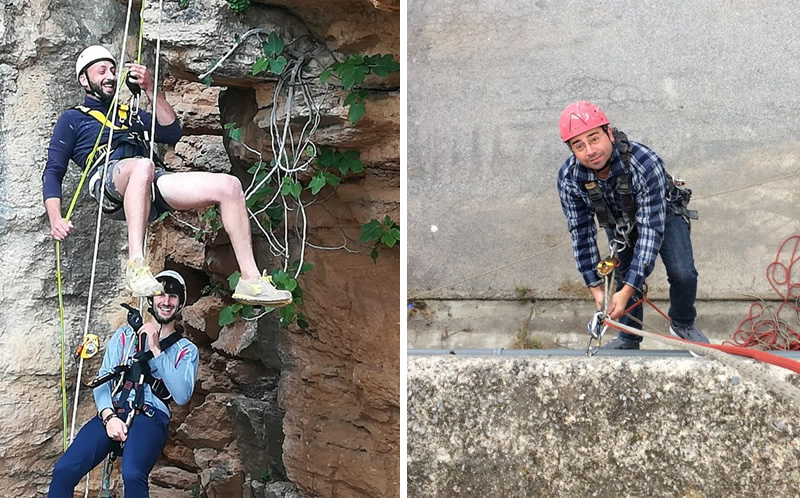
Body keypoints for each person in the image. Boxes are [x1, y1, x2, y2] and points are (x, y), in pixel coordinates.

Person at [43, 45, 292, 307]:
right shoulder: (72, 119)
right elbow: (53, 170)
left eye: (113, 70)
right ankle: (136, 266)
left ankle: (250, 279)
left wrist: (151, 89)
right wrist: (55, 217)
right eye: (102, 70)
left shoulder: (130, 113)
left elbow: (172, 131)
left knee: (228, 186)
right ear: (84, 79)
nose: (110, 75)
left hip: (148, 180)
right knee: (142, 166)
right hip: (107, 180)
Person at [556, 101, 709, 350]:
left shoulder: (644, 163)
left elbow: (650, 228)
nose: (590, 150)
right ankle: (628, 336)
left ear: (609, 133)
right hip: (617, 223)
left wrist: (629, 289)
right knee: (622, 276)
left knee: (683, 273)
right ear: (571, 150)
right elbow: (581, 232)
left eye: (594, 139)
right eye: (579, 145)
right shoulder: (569, 178)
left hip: (662, 214)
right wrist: (595, 286)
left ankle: (682, 323)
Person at [48, 270, 198, 497]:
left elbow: (181, 394)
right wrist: (108, 417)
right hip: (115, 410)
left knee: (133, 473)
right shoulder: (125, 337)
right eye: (160, 294)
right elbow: (103, 379)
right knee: (64, 469)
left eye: (173, 296)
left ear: (180, 303)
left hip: (150, 416)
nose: (166, 301)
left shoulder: (185, 350)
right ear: (151, 298)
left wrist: (156, 348)